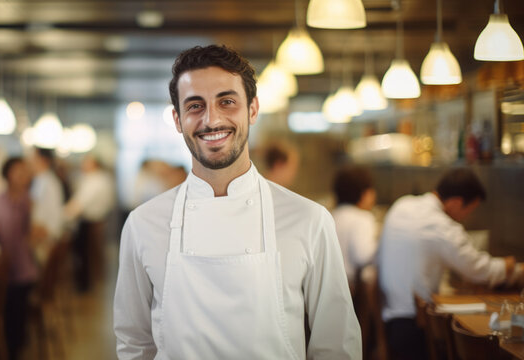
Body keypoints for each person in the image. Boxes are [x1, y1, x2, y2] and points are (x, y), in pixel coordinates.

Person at [113, 45, 361, 359]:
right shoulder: (143, 224)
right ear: (177, 119)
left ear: (252, 109)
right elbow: (134, 343)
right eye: (195, 106)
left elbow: (337, 345)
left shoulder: (310, 220)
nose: (211, 119)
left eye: (227, 102)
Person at [378, 168, 522, 359]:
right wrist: (511, 265)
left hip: (390, 319)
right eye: (469, 210)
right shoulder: (442, 226)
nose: (466, 216)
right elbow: (478, 270)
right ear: (456, 202)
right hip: (415, 331)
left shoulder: (402, 204)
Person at [0, 157, 38, 360]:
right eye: (18, 171)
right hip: (0, 268)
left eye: (25, 171)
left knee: (16, 312)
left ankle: (13, 351)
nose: (23, 175)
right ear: (8, 173)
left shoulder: (30, 202)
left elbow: (34, 234)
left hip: (23, 267)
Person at [65, 154, 115, 292]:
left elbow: (78, 204)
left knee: (87, 257)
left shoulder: (95, 180)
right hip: (98, 221)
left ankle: (86, 286)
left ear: (94, 165)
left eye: (85, 163)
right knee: (93, 256)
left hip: (92, 222)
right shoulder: (102, 178)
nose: (82, 166)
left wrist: (63, 216)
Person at [331, 165, 378, 289]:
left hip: (327, 284)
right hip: (349, 287)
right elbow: (362, 256)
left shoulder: (331, 215)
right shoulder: (363, 218)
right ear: (364, 194)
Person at [29, 148, 65, 248]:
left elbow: (48, 213)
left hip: (45, 236)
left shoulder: (46, 182)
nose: (30, 160)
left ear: (42, 160)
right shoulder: (41, 179)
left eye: (33, 157)